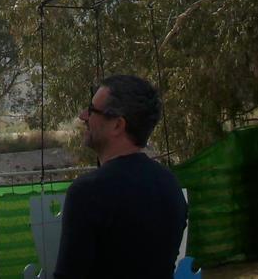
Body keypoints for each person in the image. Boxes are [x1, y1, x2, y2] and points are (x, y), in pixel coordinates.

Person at [53, 75, 188, 278]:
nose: (83, 116)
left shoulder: (88, 193)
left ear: (117, 125)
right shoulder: (169, 183)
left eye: (92, 111)